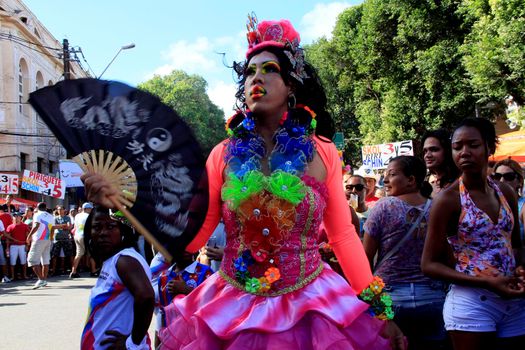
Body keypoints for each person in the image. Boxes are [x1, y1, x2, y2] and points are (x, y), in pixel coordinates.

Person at [83, 17, 405, 350]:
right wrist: (124, 202)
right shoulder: (222, 155)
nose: (257, 78)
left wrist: (381, 312)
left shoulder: (323, 152)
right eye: (250, 72)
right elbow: (194, 236)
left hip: (313, 308)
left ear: (292, 86)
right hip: (233, 309)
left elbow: (342, 236)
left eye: (270, 70)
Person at [421, 118, 525, 350]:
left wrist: (519, 269)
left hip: (514, 303)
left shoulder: (505, 192)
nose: (464, 153)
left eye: (473, 145)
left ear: (490, 147)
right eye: (458, 147)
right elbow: (428, 265)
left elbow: (515, 245)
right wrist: (486, 281)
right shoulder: (448, 200)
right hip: (471, 305)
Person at [363, 156, 448, 349]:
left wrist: (371, 301)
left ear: (411, 180)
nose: (384, 180)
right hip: (433, 299)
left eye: (391, 175)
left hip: (390, 299)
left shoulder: (383, 206)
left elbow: (364, 259)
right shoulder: (437, 207)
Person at [81, 205, 154, 350]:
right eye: (97, 227)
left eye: (111, 226)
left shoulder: (124, 260)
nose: (103, 233)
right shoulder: (112, 260)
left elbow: (146, 296)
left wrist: (132, 343)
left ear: (123, 230)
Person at [492, 158, 525, 243]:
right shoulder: (489, 205)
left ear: (520, 181)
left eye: (509, 177)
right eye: (497, 176)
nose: (501, 181)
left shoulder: (523, 206)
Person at [422, 129, 459, 197]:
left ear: (447, 151)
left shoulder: (461, 181)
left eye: (434, 150)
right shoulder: (423, 183)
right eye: (425, 151)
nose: (427, 155)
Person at [27, 202, 54, 289]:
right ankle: (44, 280)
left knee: (32, 260)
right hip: (47, 239)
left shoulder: (37, 214)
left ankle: (41, 279)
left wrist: (29, 236)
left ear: (38, 208)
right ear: (45, 208)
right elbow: (52, 228)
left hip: (38, 239)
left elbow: (36, 225)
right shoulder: (50, 216)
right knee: (45, 261)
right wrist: (51, 238)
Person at [71, 202, 97, 278]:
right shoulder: (89, 216)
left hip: (77, 236)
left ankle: (73, 271)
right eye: (90, 208)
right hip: (85, 237)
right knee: (91, 253)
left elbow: (75, 226)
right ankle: (93, 270)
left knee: (78, 254)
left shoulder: (77, 216)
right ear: (85, 209)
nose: (91, 210)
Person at [50, 205, 74, 276]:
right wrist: (63, 226)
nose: (59, 211)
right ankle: (53, 271)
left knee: (70, 255)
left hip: (66, 238)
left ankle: (73, 270)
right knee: (54, 255)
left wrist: (60, 226)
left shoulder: (67, 217)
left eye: (61, 209)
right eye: (58, 209)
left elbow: (69, 227)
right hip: (57, 238)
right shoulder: (55, 218)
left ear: (64, 210)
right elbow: (53, 227)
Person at [6, 213, 30, 280]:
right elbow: (8, 238)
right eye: (15, 216)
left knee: (24, 261)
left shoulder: (25, 226)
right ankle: (13, 276)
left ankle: (24, 275)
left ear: (20, 217)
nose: (16, 218)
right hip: (13, 246)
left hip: (22, 246)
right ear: (13, 218)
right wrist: (7, 247)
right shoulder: (10, 226)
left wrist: (27, 245)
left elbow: (28, 236)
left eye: (18, 216)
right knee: (12, 262)